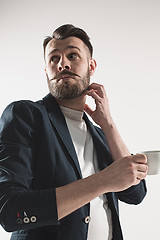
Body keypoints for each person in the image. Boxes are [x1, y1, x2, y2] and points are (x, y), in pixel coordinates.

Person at [0, 24, 147, 240]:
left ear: (91, 66)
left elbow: (136, 194)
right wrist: (103, 180)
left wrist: (108, 124)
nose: (62, 64)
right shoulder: (26, 115)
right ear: (46, 71)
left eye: (72, 55)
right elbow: (11, 212)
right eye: (53, 59)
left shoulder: (100, 135)